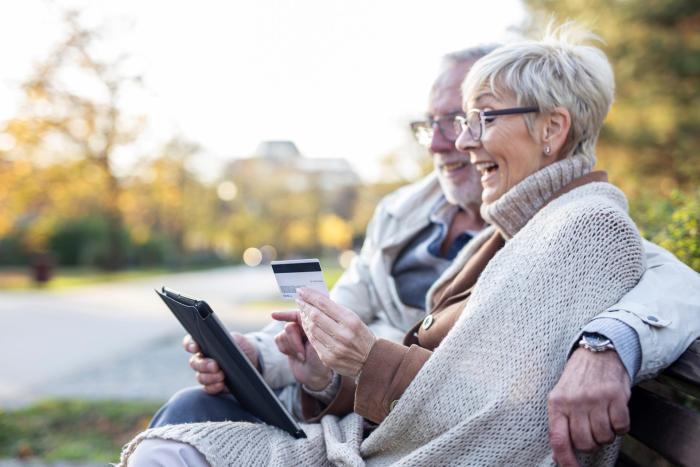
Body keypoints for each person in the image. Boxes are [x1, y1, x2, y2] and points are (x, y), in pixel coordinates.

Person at [124, 32, 700, 466]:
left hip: (395, 441)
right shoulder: (489, 223)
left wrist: (607, 346)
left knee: (177, 442)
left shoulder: (581, 227)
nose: (458, 141)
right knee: (183, 423)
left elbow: (507, 421)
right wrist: (295, 364)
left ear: (552, 130)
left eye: (479, 119)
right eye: (446, 123)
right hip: (373, 424)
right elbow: (443, 364)